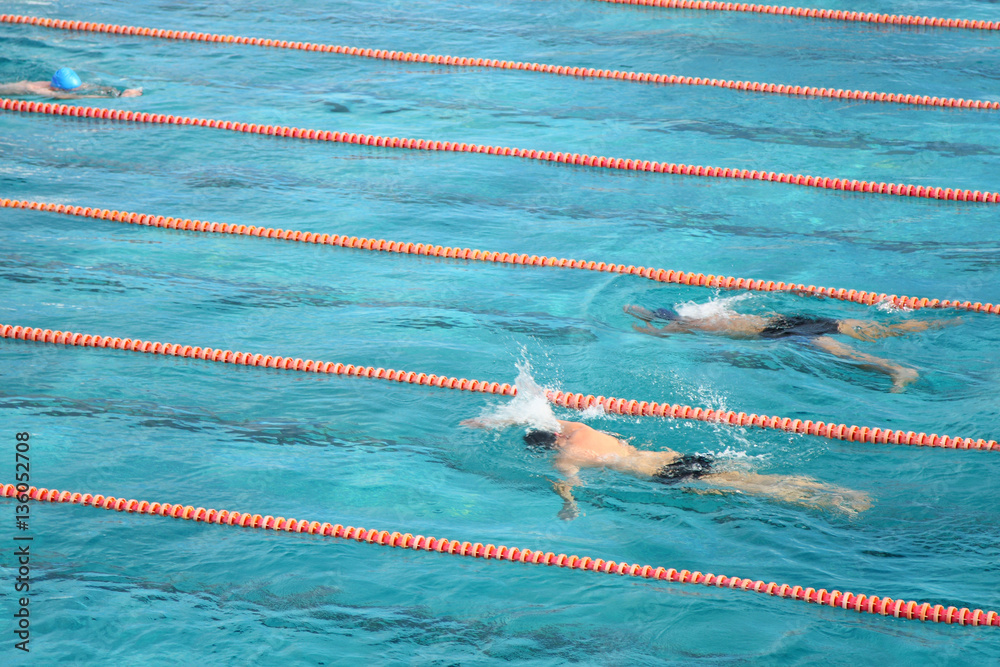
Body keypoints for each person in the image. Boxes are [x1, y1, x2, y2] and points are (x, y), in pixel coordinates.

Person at [462, 417, 871, 519]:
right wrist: (496, 420)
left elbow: (566, 484)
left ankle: (833, 504)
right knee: (757, 477)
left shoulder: (563, 459)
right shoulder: (578, 428)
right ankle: (843, 491)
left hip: (664, 477)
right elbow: (537, 411)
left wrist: (567, 505)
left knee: (755, 489)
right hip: (680, 457)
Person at [625, 304, 960, 392]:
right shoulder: (710, 314)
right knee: (870, 330)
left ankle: (898, 370)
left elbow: (661, 330)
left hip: (776, 333)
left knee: (841, 352)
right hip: (785, 320)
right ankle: (938, 323)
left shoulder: (686, 323)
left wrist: (638, 327)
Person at [0, 67, 142, 99]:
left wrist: (119, 93)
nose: (76, 90)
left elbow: (94, 88)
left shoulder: (74, 86)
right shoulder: (36, 90)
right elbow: (73, 97)